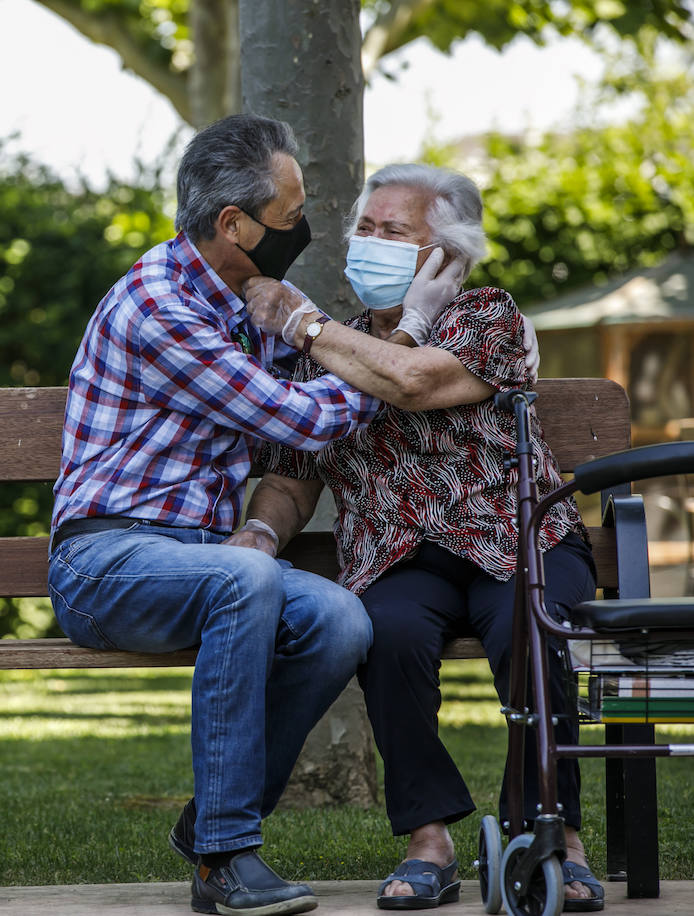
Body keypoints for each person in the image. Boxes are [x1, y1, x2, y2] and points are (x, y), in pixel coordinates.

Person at [47, 114, 435, 916]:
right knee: (246, 577)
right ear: (234, 225)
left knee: (339, 621)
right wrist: (334, 341)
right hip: (106, 563)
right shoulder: (160, 305)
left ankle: (210, 830)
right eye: (291, 218)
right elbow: (305, 418)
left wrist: (320, 332)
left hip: (208, 561)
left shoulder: (247, 298)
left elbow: (329, 356)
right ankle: (227, 856)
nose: (304, 231)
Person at [239, 163, 604, 911]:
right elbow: (290, 478)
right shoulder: (328, 344)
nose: (369, 242)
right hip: (398, 552)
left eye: (393, 232)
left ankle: (557, 834)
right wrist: (258, 534)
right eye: (364, 229)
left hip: (518, 540)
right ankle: (427, 839)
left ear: (445, 253)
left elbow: (413, 380)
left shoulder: (483, 315)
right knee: (389, 632)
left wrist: (305, 323)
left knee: (532, 634)